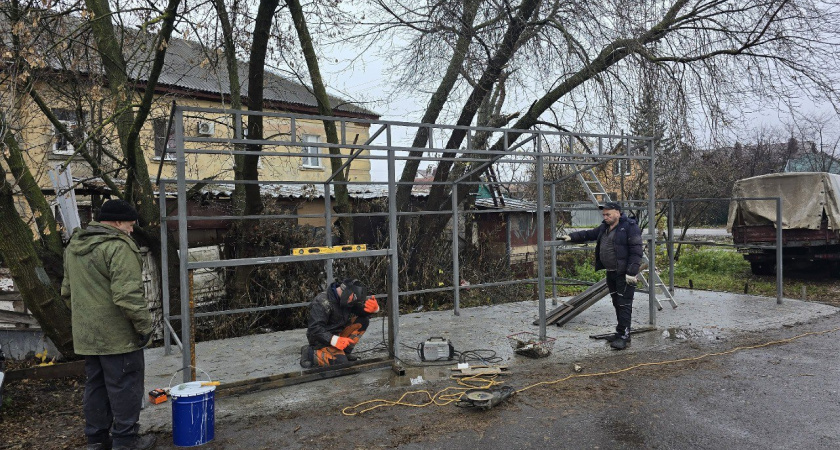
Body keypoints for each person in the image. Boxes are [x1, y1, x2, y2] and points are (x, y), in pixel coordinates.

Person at [61, 199, 156, 450]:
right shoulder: (118, 247)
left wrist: (88, 321)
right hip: (118, 336)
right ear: (116, 222)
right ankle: (125, 441)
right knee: (125, 385)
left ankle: (96, 441)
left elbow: (67, 291)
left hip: (88, 336)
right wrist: (145, 327)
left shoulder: (74, 245)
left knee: (96, 386)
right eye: (130, 224)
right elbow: (128, 296)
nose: (132, 230)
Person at [560, 202, 643, 350]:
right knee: (617, 302)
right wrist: (571, 237)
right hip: (611, 271)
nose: (605, 217)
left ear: (617, 213)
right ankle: (620, 332)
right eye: (604, 215)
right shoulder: (605, 227)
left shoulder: (629, 227)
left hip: (624, 273)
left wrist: (631, 272)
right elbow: (589, 234)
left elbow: (636, 251)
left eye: (608, 214)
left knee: (624, 304)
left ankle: (624, 336)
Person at [300, 279, 380, 368]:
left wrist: (373, 309)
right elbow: (314, 328)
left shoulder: (347, 299)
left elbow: (360, 312)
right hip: (320, 340)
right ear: (347, 292)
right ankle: (309, 352)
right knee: (341, 364)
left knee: (363, 321)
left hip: (337, 334)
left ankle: (344, 352)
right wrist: (333, 340)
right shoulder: (322, 302)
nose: (354, 301)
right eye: (353, 297)